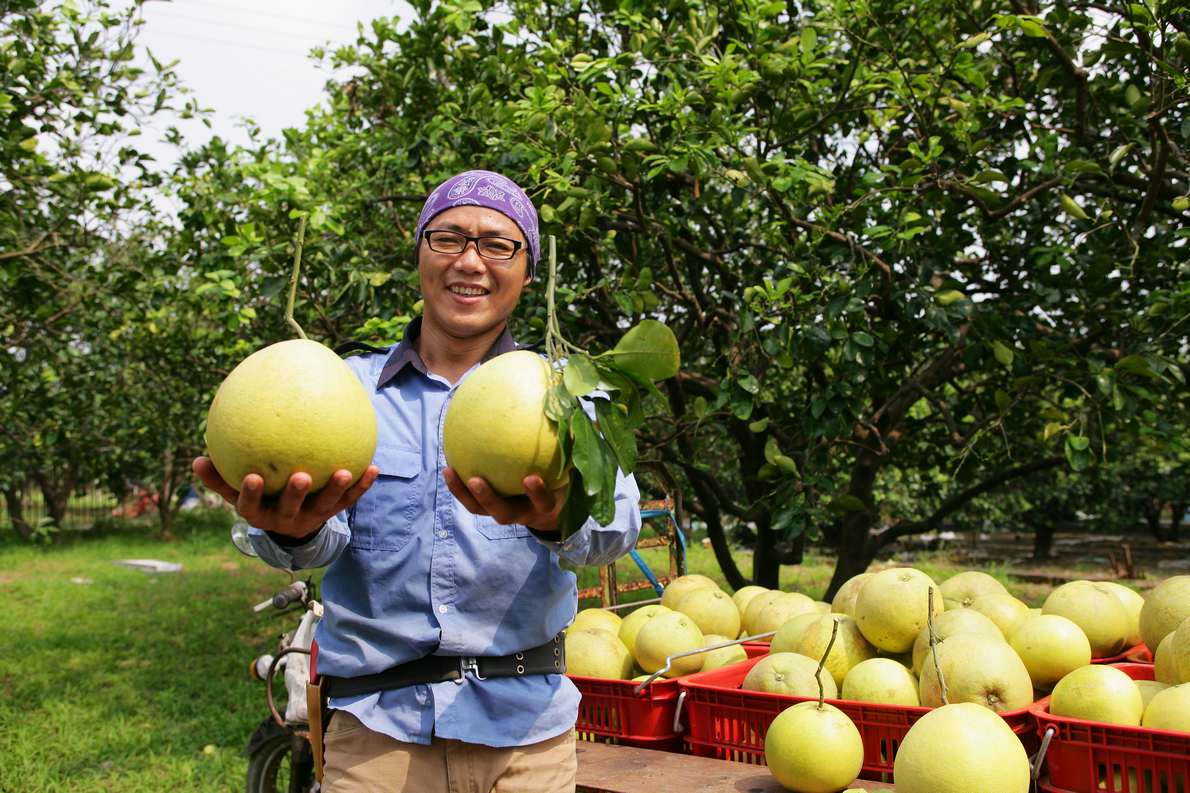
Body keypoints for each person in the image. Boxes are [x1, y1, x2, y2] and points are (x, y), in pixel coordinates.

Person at [194, 169, 642, 793]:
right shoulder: (343, 391)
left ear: (528, 270)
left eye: (497, 243)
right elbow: (320, 538)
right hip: (376, 737)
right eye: (448, 238)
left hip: (526, 736)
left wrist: (555, 518)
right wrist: (294, 534)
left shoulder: (566, 395)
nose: (471, 261)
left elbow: (618, 527)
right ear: (420, 254)